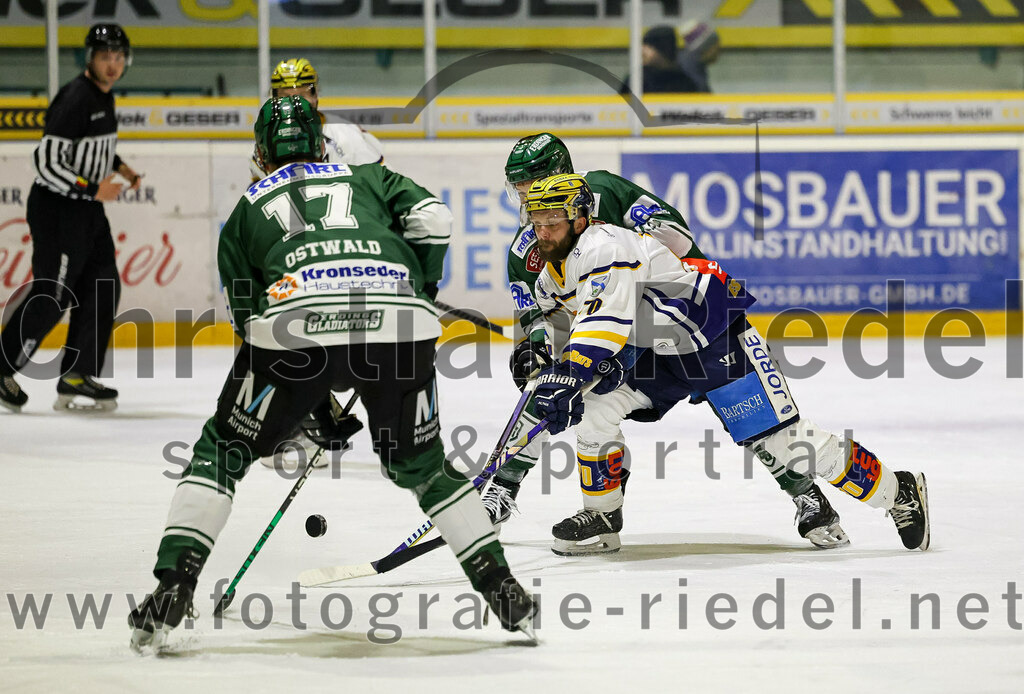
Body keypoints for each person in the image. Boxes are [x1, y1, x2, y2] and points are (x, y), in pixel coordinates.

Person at [128, 96, 537, 653]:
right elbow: (433, 219)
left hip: (295, 332)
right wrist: (422, 288)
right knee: (426, 469)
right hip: (400, 326)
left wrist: (307, 398)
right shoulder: (365, 178)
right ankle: (502, 588)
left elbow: (252, 326)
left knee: (223, 448)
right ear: (322, 147)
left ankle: (174, 583)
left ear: (261, 155)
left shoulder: (246, 208)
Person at [484, 132, 848, 555]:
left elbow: (680, 240)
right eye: (520, 188)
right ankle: (505, 490)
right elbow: (539, 314)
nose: (528, 198)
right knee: (553, 391)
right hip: (617, 333)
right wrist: (536, 347)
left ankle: (808, 496)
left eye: (533, 183)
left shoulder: (603, 191)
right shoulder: (527, 245)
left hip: (683, 321)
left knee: (749, 419)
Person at [525, 174, 931, 553]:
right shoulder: (549, 275)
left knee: (788, 444)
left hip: (713, 334)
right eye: (537, 221)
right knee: (597, 407)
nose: (544, 231)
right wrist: (542, 362)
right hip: (658, 353)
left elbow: (600, 324)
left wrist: (573, 375)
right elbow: (565, 333)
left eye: (554, 220)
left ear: (580, 219)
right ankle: (602, 515)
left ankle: (899, 492)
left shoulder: (603, 245)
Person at [0, 23, 141, 413]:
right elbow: (45, 161)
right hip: (58, 209)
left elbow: (88, 148)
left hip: (86, 211)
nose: (111, 65)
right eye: (103, 56)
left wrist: (120, 167)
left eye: (117, 57)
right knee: (54, 294)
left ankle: (77, 373)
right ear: (89, 59)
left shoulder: (103, 96)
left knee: (103, 284)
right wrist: (92, 189)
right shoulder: (76, 97)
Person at [249, 58, 384, 182]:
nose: (295, 103)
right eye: (285, 96)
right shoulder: (265, 142)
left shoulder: (347, 136)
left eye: (302, 95)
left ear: (316, 94)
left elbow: (382, 186)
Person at [620, 26, 701, 95]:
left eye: (649, 46)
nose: (642, 51)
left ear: (664, 50)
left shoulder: (684, 82)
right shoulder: (637, 79)